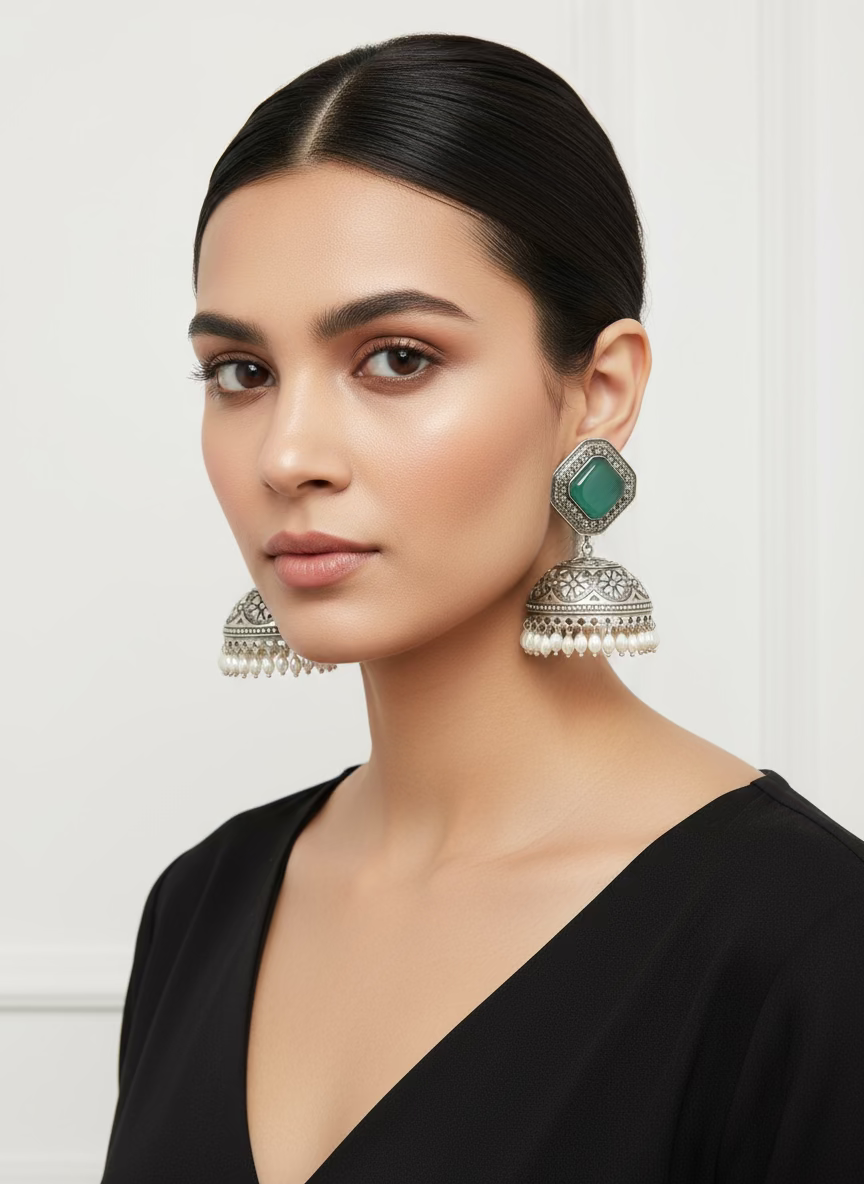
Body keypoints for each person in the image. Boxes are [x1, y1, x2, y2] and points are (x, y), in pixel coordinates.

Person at [100, 31, 864, 1184]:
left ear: (597, 391)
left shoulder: (810, 944)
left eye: (397, 358)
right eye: (241, 372)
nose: (287, 453)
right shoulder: (199, 904)